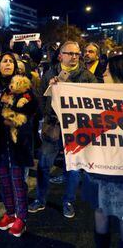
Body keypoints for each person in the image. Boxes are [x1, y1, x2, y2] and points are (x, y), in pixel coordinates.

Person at [29, 41, 97, 218]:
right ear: (61, 55)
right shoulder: (50, 74)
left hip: (75, 129)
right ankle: (40, 199)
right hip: (53, 127)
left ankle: (68, 201)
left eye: (77, 54)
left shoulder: (87, 77)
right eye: (70, 53)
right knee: (44, 164)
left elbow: (95, 103)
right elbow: (41, 101)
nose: (74, 56)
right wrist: (51, 92)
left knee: (73, 168)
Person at [0, 53, 37, 237]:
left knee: (17, 181)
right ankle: (10, 214)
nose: (7, 64)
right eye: (4, 61)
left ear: (15, 66)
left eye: (10, 61)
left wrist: (15, 103)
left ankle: (21, 218)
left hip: (18, 142)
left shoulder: (24, 84)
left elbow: (33, 108)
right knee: (4, 182)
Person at [83, 49, 123, 247]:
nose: (103, 74)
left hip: (119, 171)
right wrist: (57, 87)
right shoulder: (97, 97)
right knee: (100, 211)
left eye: (107, 71)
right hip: (100, 169)